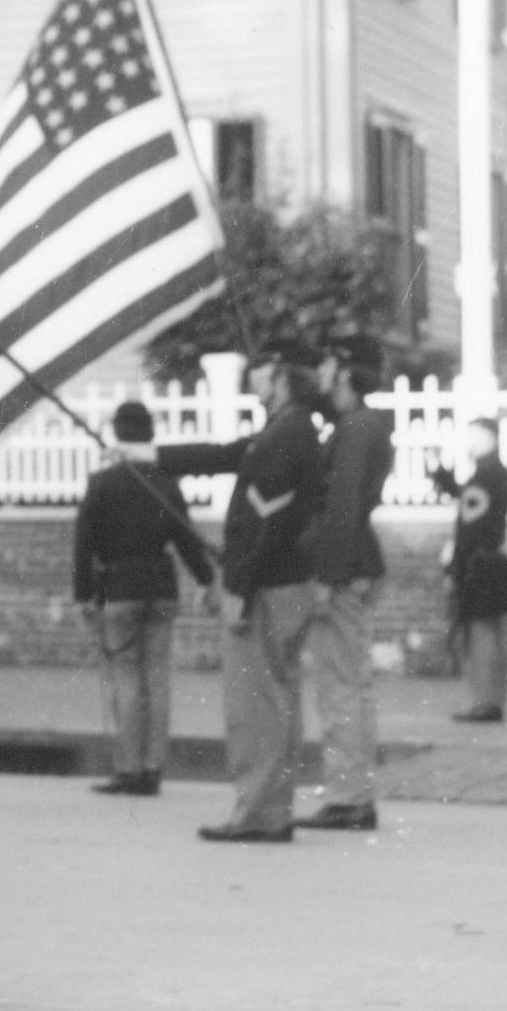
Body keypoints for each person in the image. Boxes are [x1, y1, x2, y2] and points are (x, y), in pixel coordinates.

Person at [161, 355, 327, 843]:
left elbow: (266, 524)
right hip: (280, 583)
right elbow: (223, 454)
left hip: (267, 588)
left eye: (258, 370)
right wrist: (148, 455)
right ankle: (269, 807)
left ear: (280, 380)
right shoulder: (284, 430)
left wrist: (238, 588)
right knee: (275, 699)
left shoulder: (286, 435)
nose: (248, 375)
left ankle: (257, 811)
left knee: (256, 702)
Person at [73, 400, 216, 797]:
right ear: (150, 434)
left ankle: (129, 769)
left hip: (118, 588)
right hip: (161, 588)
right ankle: (153, 768)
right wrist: (207, 582)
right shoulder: (166, 483)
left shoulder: (102, 483)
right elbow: (187, 539)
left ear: (117, 433)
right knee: (157, 680)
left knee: (126, 683)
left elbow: (84, 544)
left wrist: (83, 594)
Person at [297, 348, 396, 833]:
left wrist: (325, 574)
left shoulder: (355, 429)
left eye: (329, 367)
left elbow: (343, 502)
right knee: (350, 684)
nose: (321, 374)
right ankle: (353, 792)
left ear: (346, 377)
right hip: (357, 560)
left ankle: (348, 795)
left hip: (344, 566)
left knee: (340, 687)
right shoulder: (362, 426)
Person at [433, 418, 507, 724]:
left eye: (473, 436)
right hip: (490, 561)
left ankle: (484, 702)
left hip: (477, 564)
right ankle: (492, 699)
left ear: (488, 437)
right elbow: (473, 504)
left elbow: (472, 522)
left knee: (480, 634)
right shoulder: (493, 473)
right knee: (489, 632)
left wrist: (456, 564)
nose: (468, 442)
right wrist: (447, 482)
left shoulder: (485, 475)